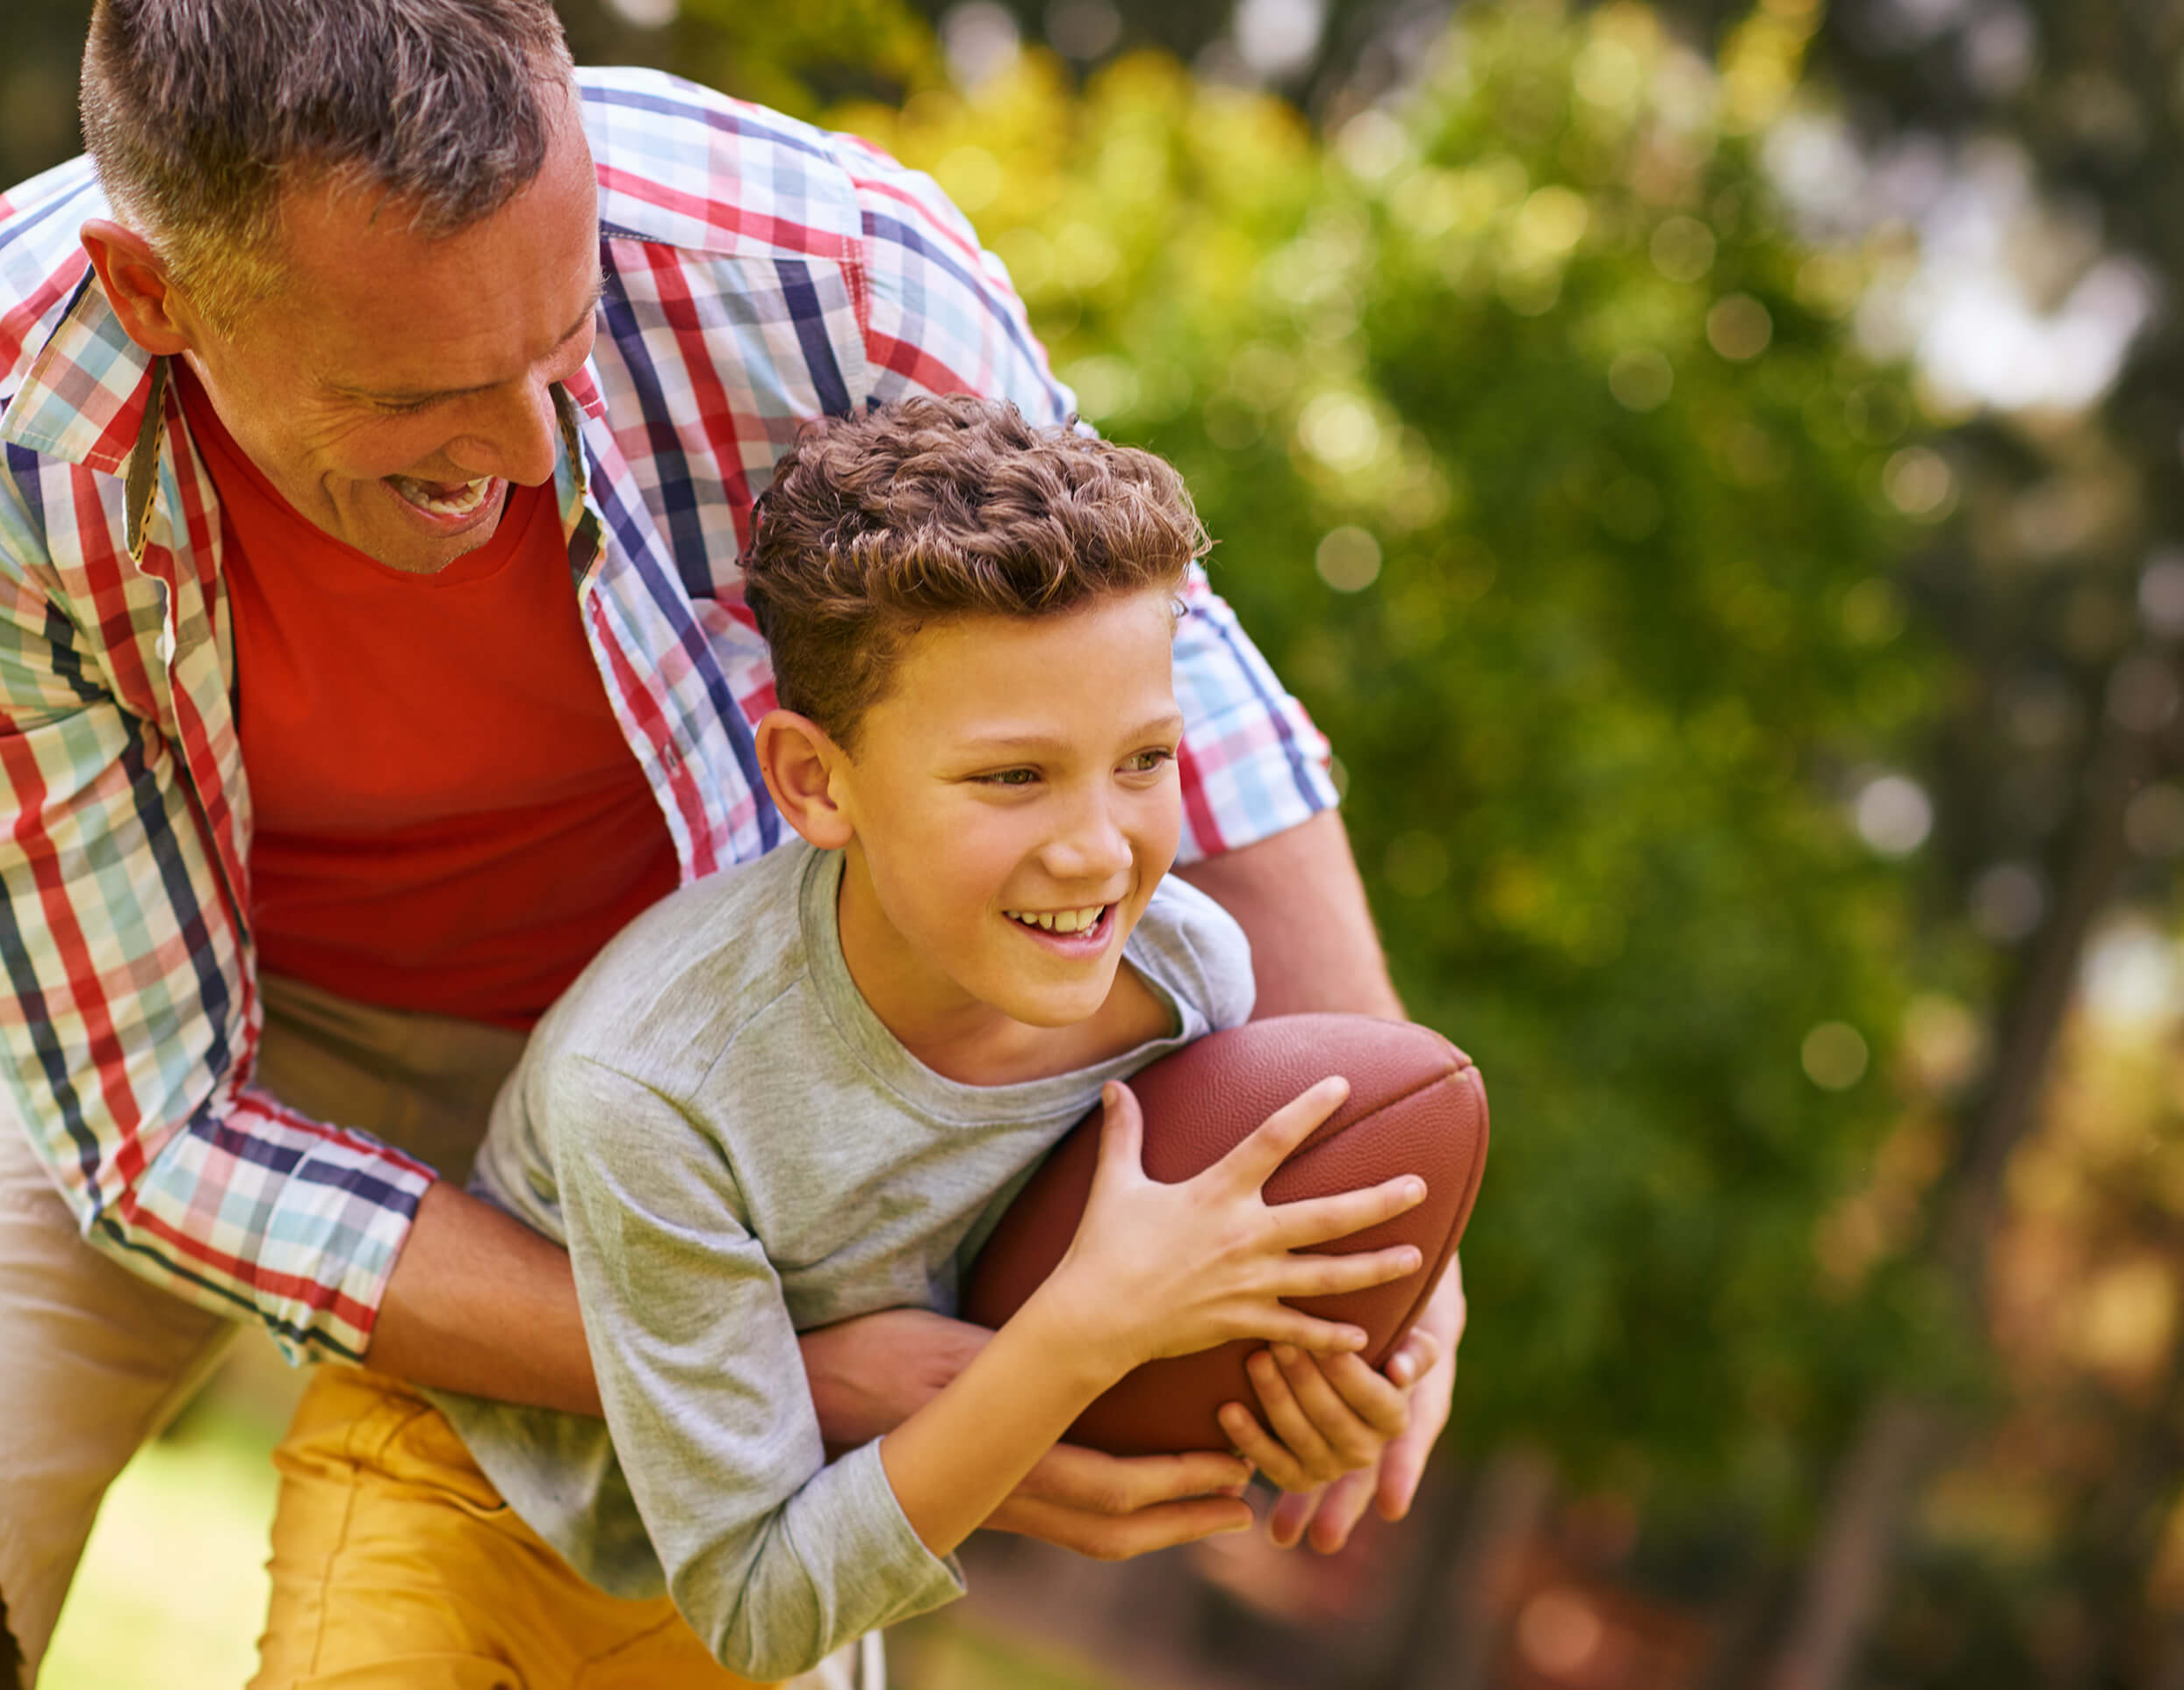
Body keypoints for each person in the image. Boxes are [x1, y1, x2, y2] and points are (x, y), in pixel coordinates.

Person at [0, 3, 1464, 1686]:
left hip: (707, 1089)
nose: (539, 446)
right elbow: (157, 1132)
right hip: (195, 1014)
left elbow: (1170, 688)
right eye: (428, 395)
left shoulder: (830, 274)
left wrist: (1379, 1227)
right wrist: (804, 1370)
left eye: (563, 339)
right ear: (157, 295)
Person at [249, 398, 1431, 1686]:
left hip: (803, 1547)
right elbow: (760, 1587)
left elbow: (1092, 1314)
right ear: (816, 781)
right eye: (1012, 776)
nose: (1098, 848)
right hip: (479, 1509)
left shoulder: (1188, 981)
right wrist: (1085, 1333)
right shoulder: (654, 1079)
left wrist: (1307, 1374)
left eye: (1143, 760)